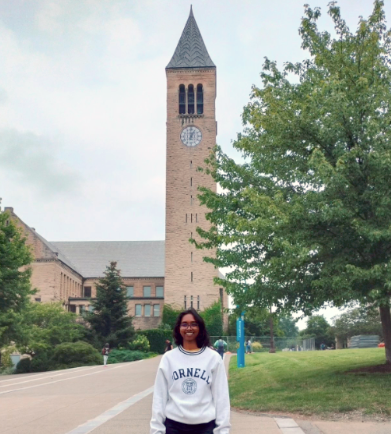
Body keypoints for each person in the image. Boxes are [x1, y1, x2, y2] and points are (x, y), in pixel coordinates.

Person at [150, 308, 230, 434]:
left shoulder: (213, 358)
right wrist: (156, 429)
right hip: (174, 426)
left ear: (200, 328)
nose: (189, 328)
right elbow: (159, 397)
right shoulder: (168, 358)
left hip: (205, 427)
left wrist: (223, 430)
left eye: (194, 324)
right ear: (178, 328)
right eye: (184, 324)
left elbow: (221, 398)